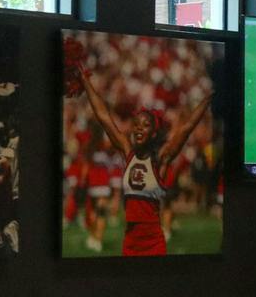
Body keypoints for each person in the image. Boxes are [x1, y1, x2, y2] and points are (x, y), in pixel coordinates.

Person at [72, 64, 211, 257]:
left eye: (145, 126)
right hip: (129, 241)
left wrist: (210, 96)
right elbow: (104, 117)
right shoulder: (127, 152)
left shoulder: (161, 158)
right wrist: (85, 81)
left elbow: (186, 128)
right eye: (136, 125)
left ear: (154, 133)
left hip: (154, 242)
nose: (138, 128)